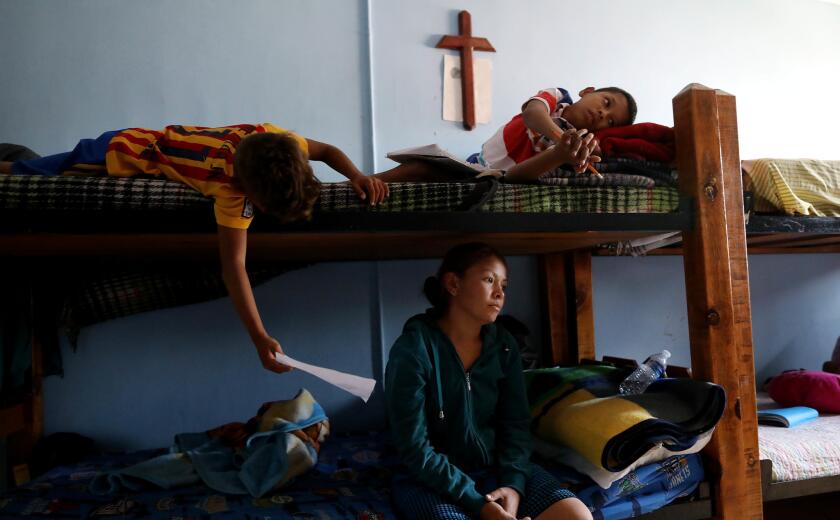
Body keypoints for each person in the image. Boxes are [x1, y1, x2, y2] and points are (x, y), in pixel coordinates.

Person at [0, 124, 388, 374]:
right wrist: (259, 336)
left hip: (143, 136)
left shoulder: (274, 138)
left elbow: (328, 151)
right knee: (23, 176)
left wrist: (358, 176)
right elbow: (234, 267)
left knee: (28, 168)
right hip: (118, 153)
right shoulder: (229, 188)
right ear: (249, 194)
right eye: (264, 210)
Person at [385, 243, 595, 520]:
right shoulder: (414, 350)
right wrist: (479, 505)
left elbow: (515, 427)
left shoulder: (504, 347)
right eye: (489, 280)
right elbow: (415, 449)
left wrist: (512, 486)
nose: (500, 293)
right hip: (431, 478)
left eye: (504, 285)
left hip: (493, 469)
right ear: (453, 284)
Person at [376, 85, 636, 184]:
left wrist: (562, 153)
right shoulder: (557, 97)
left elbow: (517, 176)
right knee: (419, 166)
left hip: (498, 178)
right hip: (476, 162)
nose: (603, 113)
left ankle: (358, 188)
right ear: (586, 91)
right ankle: (358, 186)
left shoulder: (578, 145)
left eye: (611, 120)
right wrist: (559, 138)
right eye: (605, 102)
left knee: (422, 170)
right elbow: (532, 114)